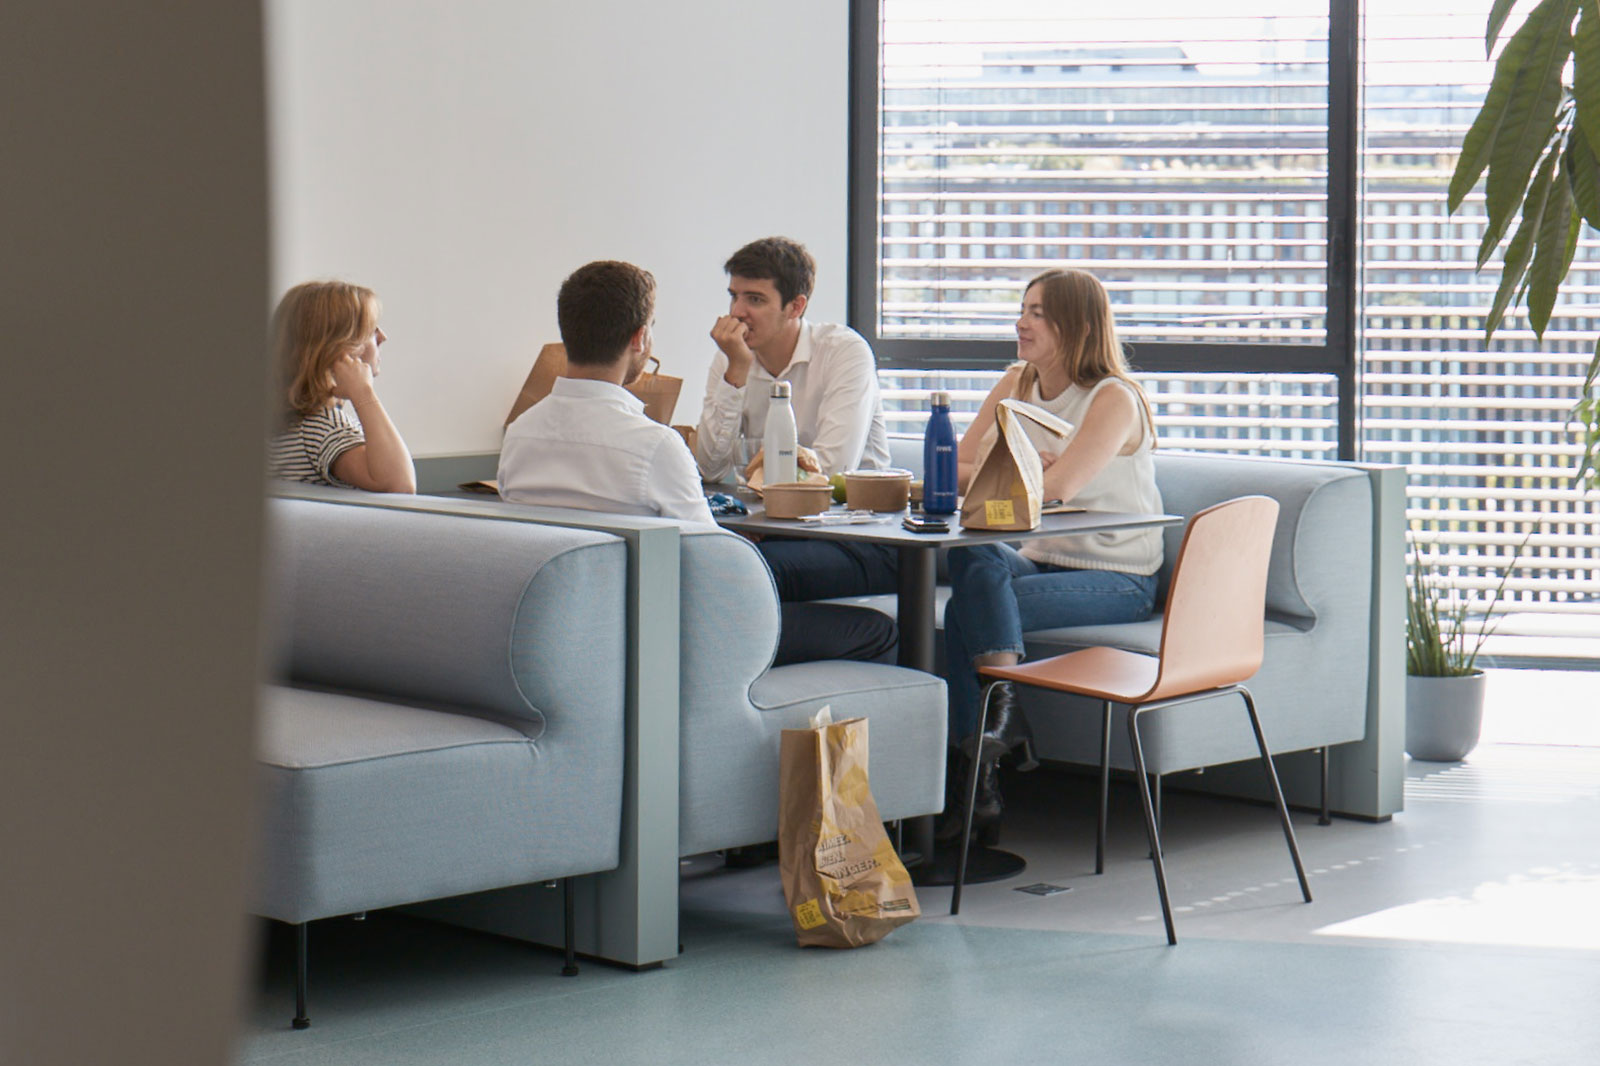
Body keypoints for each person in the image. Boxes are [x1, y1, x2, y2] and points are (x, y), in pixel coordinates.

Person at [499, 259, 897, 667]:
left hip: (567, 630)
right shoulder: (654, 445)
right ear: (640, 339)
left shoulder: (518, 435)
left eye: (753, 298)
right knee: (876, 629)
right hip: (667, 636)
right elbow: (719, 572)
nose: (738, 311)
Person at [942, 268, 1165, 842]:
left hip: (1115, 575)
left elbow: (1058, 487)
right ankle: (991, 747)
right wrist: (1020, 471)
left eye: (1038, 312)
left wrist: (1024, 475)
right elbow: (955, 468)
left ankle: (974, 770)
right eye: (1023, 308)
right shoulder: (1017, 381)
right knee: (977, 557)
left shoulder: (1113, 396)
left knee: (960, 615)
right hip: (1038, 559)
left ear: (1077, 324)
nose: (1021, 322)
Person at [692, 236, 898, 602]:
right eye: (734, 296)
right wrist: (736, 373)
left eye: (754, 299)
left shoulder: (843, 351)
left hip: (859, 537)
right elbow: (708, 467)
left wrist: (759, 513)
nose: (737, 312)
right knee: (700, 562)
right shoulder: (732, 358)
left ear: (795, 306)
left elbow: (832, 469)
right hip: (770, 531)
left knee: (742, 569)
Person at [268, 281, 416, 493]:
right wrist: (363, 393)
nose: (383, 336)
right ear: (338, 349)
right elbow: (400, 486)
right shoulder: (322, 429)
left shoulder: (283, 425)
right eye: (370, 330)